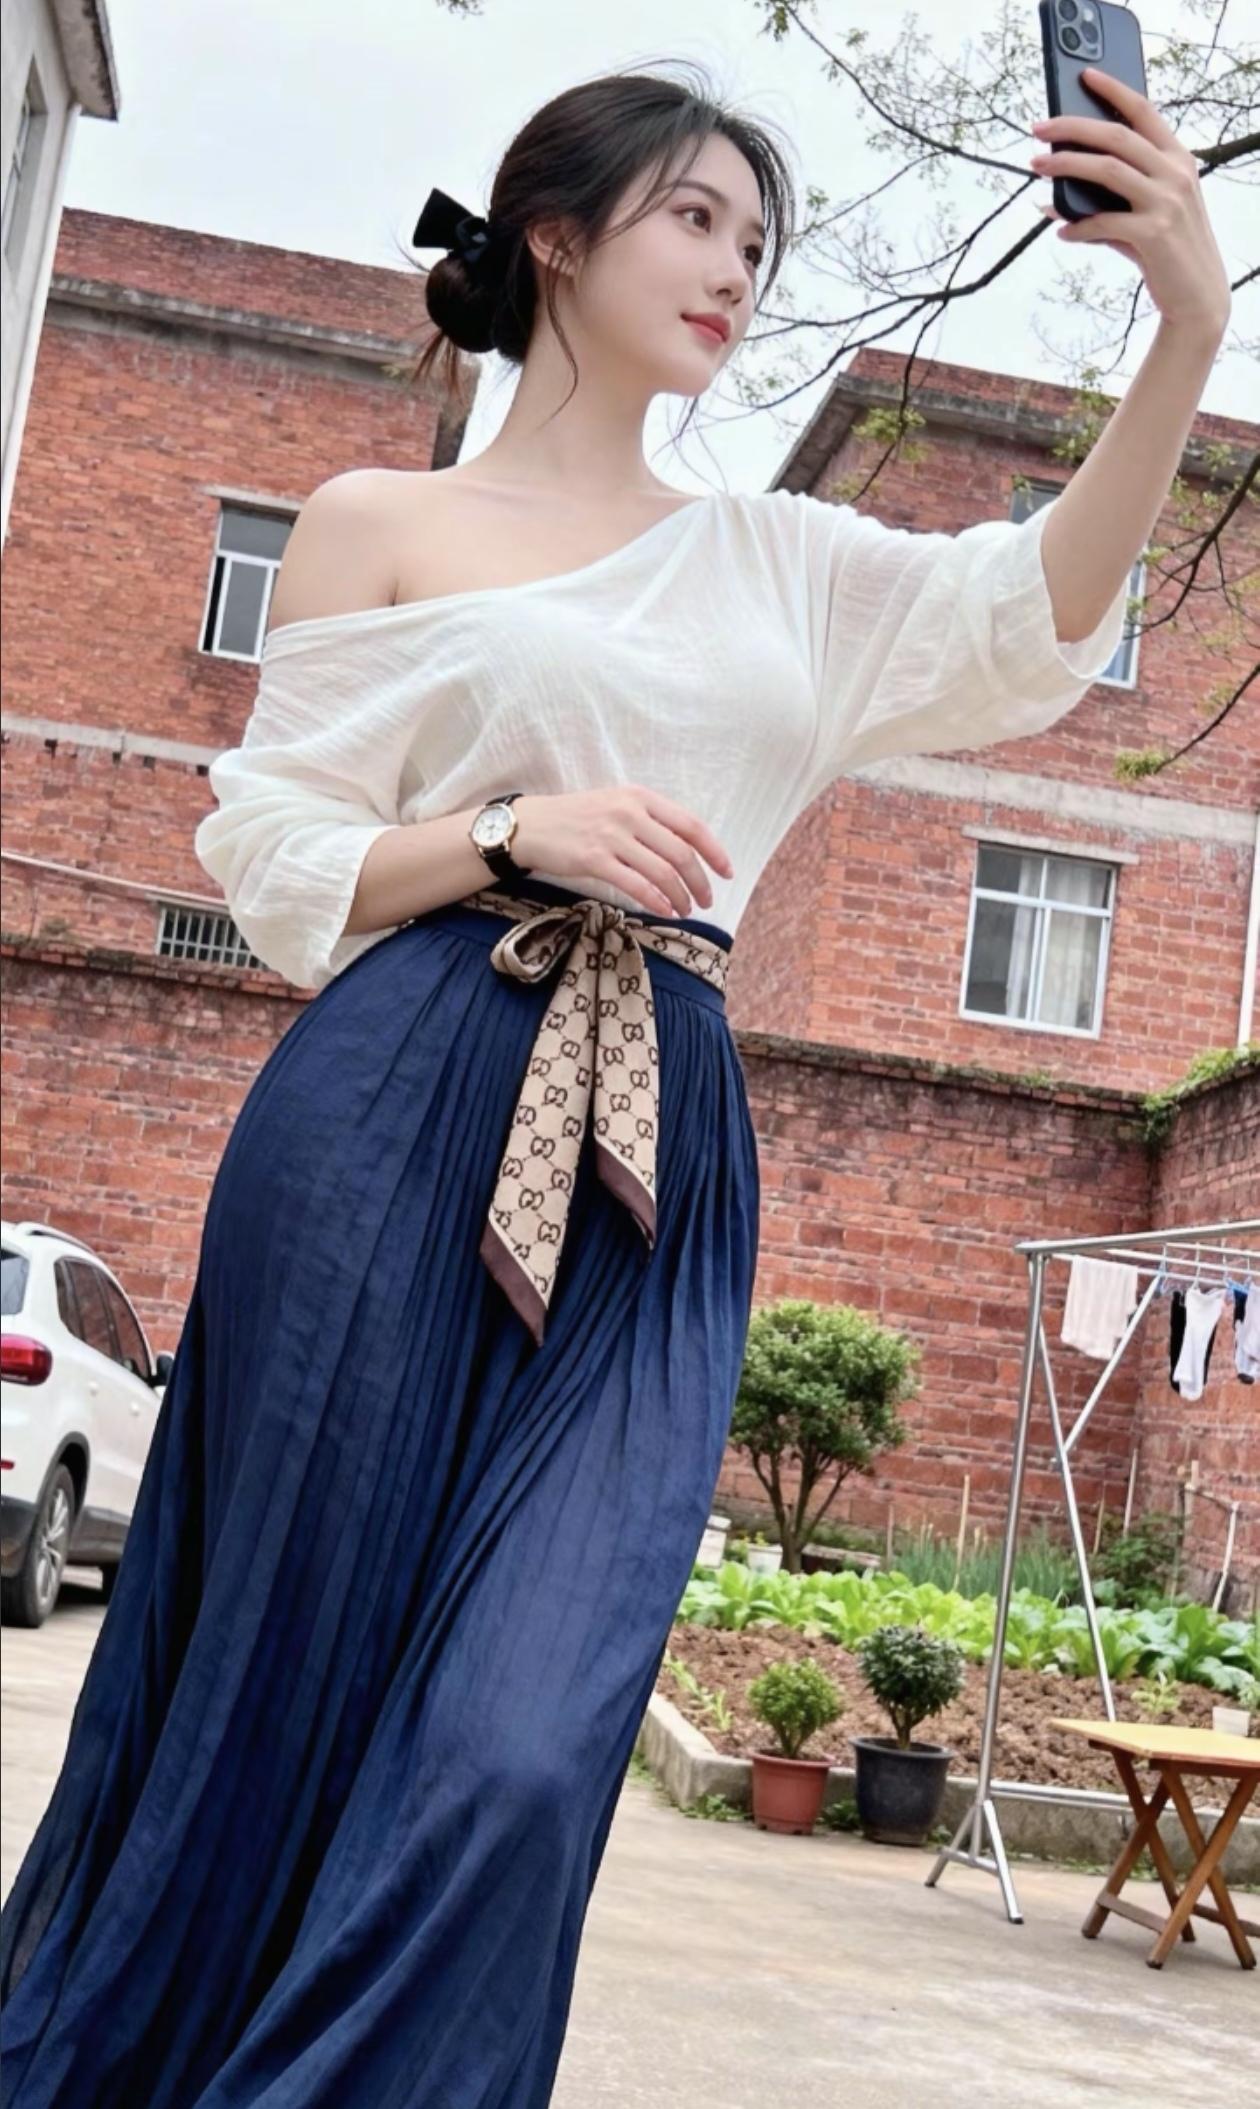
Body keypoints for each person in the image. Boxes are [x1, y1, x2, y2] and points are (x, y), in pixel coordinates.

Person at [0, 49, 1228, 2109]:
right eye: (695, 219)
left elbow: (1035, 610)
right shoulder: (384, 519)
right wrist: (508, 832)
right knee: (279, 1675)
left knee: (518, 1744)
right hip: (395, 1115)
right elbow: (277, 859)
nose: (737, 267)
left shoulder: (776, 560)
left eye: (758, 238)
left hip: (658, 1156)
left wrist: (1184, 326)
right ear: (557, 236)